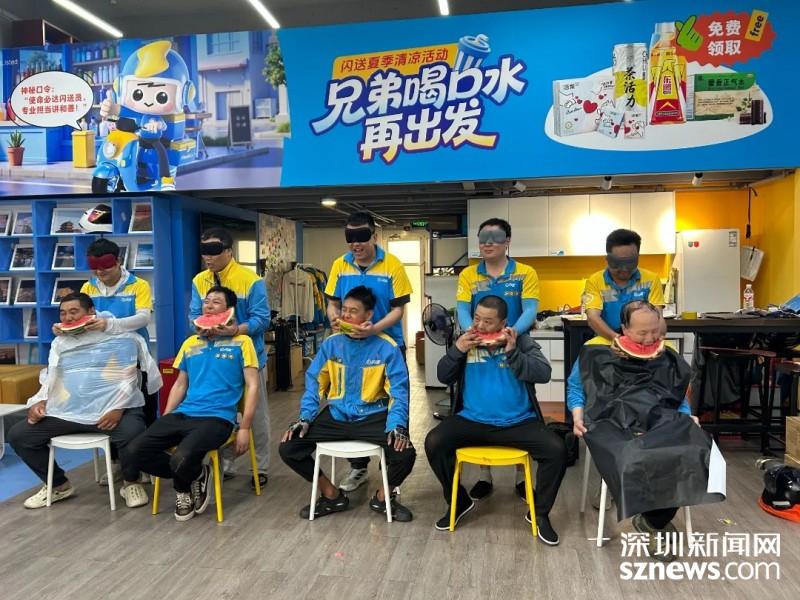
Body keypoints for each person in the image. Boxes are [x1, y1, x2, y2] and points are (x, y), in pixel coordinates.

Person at [568, 301, 726, 562]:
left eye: (655, 331)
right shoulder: (594, 350)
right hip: (611, 423)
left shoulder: (668, 352)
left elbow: (677, 395)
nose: (650, 338)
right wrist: (577, 416)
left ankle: (653, 521)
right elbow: (576, 387)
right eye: (642, 333)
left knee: (697, 451)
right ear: (624, 328)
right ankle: (655, 520)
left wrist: (687, 416)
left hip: (661, 419)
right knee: (635, 456)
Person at [426, 295, 566, 545]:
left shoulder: (521, 340)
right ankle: (458, 501)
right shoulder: (466, 341)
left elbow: (544, 373)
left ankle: (540, 513)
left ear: (504, 323)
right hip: (472, 420)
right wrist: (457, 351)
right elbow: (443, 376)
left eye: (488, 322)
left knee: (557, 450)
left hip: (518, 422)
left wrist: (513, 353)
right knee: (434, 442)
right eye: (477, 318)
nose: (480, 325)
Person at [8, 293, 161, 510]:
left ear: (91, 312)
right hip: (69, 411)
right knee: (19, 435)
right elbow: (53, 378)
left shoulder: (122, 338)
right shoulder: (60, 343)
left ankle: (131, 482)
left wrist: (118, 408)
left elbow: (128, 377)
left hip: (113, 410)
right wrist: (40, 401)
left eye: (74, 312)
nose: (68, 318)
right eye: (63, 313)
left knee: (133, 432)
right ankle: (59, 485)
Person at [279, 286, 415, 521]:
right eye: (344, 310)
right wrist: (305, 417)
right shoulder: (331, 344)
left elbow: (399, 393)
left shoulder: (387, 347)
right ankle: (331, 495)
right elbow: (314, 383)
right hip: (337, 415)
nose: (346, 315)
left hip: (373, 416)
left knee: (406, 454)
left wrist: (397, 425)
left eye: (353, 311)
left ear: (369, 315)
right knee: (288, 447)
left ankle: (383, 497)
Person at [125, 286, 259, 522]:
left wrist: (245, 427)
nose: (209, 305)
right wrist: (166, 416)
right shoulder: (190, 344)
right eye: (206, 301)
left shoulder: (242, 342)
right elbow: (180, 385)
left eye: (216, 302)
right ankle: (197, 474)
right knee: (134, 452)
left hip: (218, 417)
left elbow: (253, 386)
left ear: (229, 310)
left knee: (181, 458)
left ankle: (182, 489)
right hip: (184, 413)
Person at [325, 212, 413, 492]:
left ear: (374, 236)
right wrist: (334, 318)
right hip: (350, 349)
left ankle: (392, 474)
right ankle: (358, 467)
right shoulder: (339, 265)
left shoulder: (393, 265)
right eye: (350, 238)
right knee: (353, 404)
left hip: (388, 347)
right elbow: (332, 303)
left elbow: (398, 310)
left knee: (395, 403)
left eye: (362, 237)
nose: (356, 243)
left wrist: (374, 329)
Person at [456, 217, 541, 499]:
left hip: (515, 345)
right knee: (482, 401)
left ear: (508, 241)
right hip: (479, 345)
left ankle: (521, 476)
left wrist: (511, 334)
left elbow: (530, 309)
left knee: (518, 404)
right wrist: (472, 331)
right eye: (483, 239)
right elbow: (463, 309)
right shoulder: (469, 275)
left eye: (495, 238)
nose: (488, 243)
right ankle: (484, 475)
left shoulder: (525, 273)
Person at [189, 227, 271, 490]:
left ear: (228, 251)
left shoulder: (251, 280)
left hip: (248, 359)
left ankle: (261, 467)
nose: (208, 257)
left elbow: (262, 319)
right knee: (220, 414)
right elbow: (193, 314)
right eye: (204, 251)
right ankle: (225, 465)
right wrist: (199, 327)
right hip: (213, 362)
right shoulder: (199, 281)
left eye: (213, 251)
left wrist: (237, 330)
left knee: (255, 416)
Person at [76, 238, 156, 423]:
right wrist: (65, 329)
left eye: (105, 265)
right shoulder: (88, 287)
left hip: (134, 357)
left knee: (144, 403)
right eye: (94, 267)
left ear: (118, 261)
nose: (100, 271)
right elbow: (82, 319)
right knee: (109, 405)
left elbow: (143, 318)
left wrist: (109, 324)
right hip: (102, 358)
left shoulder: (139, 285)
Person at [583, 229, 664, 342]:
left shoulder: (652, 279)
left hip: (645, 341)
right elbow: (592, 318)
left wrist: (657, 337)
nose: (624, 269)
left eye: (630, 263)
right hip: (606, 339)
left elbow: (658, 317)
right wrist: (616, 339)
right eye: (617, 263)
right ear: (608, 259)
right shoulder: (594, 281)